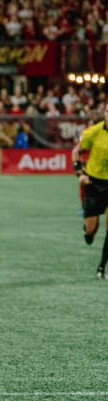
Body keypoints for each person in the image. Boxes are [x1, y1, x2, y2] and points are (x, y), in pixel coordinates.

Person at [75, 103, 108, 278]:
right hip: (94, 184)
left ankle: (101, 268)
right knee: (90, 229)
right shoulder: (92, 132)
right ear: (105, 114)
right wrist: (79, 173)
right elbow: (76, 152)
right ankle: (89, 232)